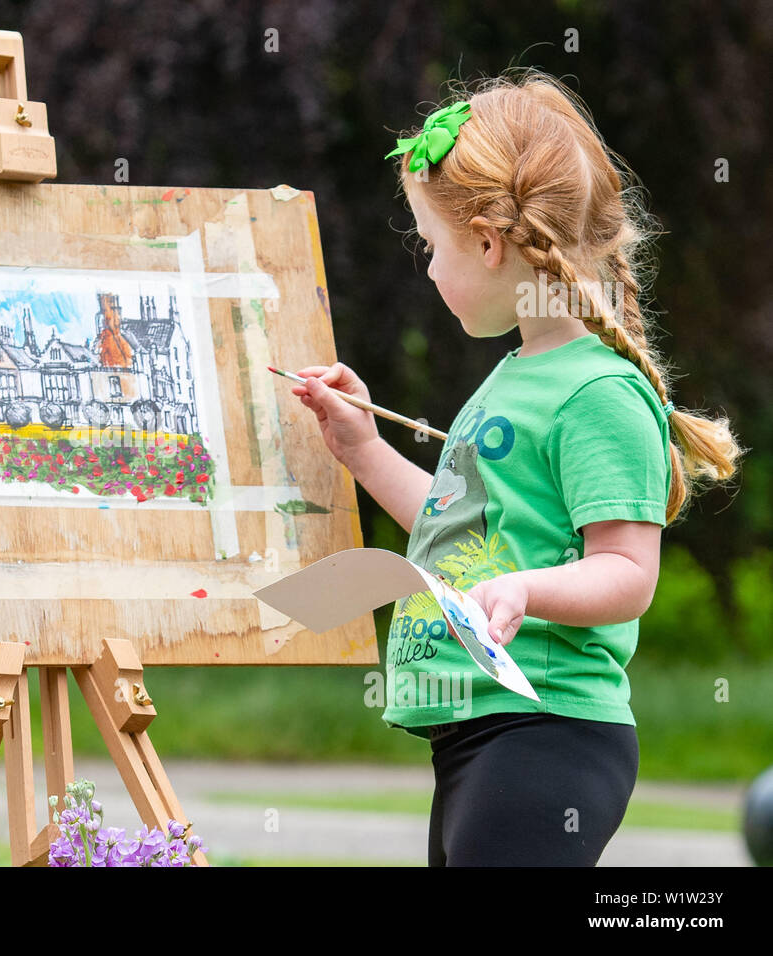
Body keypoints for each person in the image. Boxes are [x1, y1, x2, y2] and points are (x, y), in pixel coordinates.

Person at [291, 71, 742, 866]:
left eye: (432, 247)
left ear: (491, 243)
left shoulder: (597, 392)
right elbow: (462, 524)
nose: (428, 272)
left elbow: (628, 573)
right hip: (483, 731)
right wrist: (361, 447)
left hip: (549, 732)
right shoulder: (517, 374)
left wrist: (526, 590)